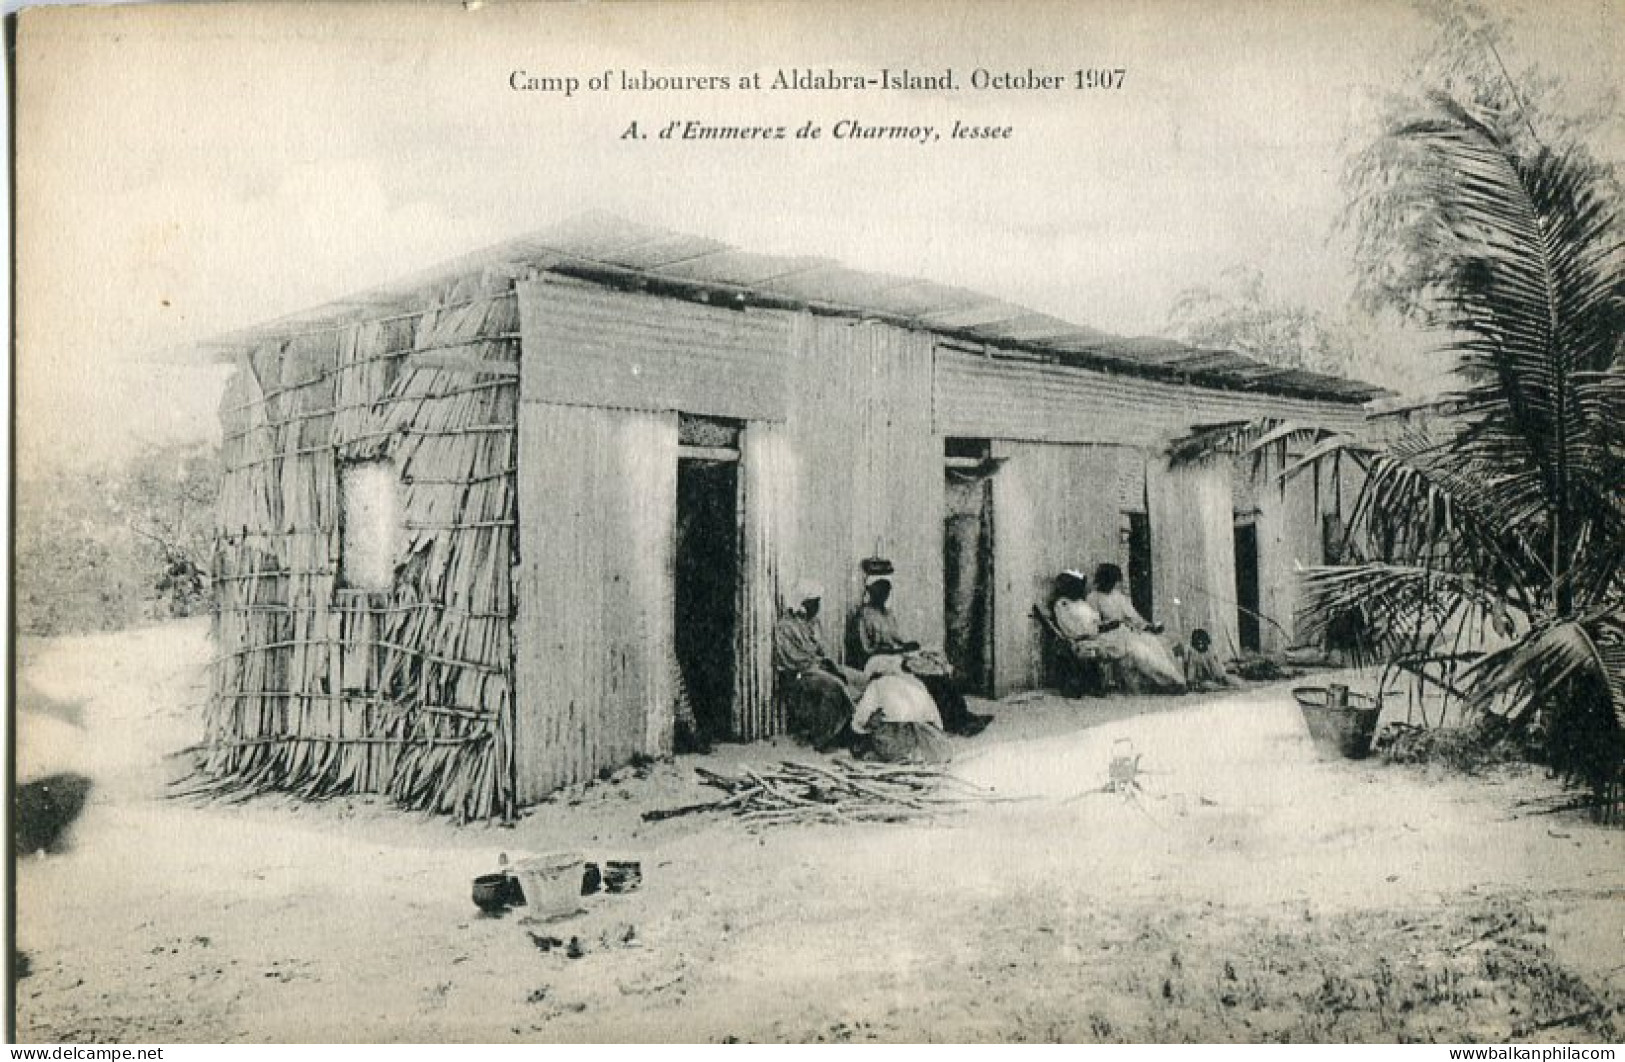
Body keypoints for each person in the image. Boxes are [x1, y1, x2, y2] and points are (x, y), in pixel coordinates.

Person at [854, 574, 991, 736]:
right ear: (871, 591)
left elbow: (896, 640)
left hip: (896, 654)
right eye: (880, 590)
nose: (884, 594)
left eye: (887, 590)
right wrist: (896, 650)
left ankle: (962, 715)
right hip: (877, 659)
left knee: (936, 665)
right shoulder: (864, 615)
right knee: (924, 675)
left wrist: (906, 646)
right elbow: (866, 650)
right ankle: (950, 720)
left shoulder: (888, 613)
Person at [774, 581, 867, 750]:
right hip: (800, 674)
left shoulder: (814, 623)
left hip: (818, 667)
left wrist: (830, 665)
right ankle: (825, 737)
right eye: (814, 602)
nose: (818, 606)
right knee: (834, 686)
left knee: (861, 679)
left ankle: (854, 727)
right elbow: (794, 660)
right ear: (802, 603)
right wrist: (823, 666)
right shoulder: (785, 627)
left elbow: (821, 650)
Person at [1086, 563, 1187, 692]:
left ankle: (1175, 680)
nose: (1114, 585)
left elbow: (1134, 617)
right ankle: (1165, 682)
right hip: (1108, 636)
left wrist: (1149, 627)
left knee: (1154, 643)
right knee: (1140, 652)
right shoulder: (1093, 598)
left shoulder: (1119, 597)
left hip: (1125, 632)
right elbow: (1093, 624)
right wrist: (1110, 625)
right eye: (1112, 581)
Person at [849, 673, 953, 764]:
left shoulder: (877, 685)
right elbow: (937, 721)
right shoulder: (916, 683)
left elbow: (859, 720)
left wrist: (866, 726)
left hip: (897, 737)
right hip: (928, 739)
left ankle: (897, 756)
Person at [1182, 627, 1234, 691]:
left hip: (1214, 676)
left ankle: (1227, 685)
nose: (1200, 646)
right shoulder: (1193, 653)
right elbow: (1191, 668)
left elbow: (1215, 666)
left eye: (1202, 643)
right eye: (1198, 643)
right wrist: (1190, 681)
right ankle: (1223, 688)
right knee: (1207, 684)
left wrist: (1221, 676)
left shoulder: (1210, 651)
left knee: (1230, 679)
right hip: (1202, 680)